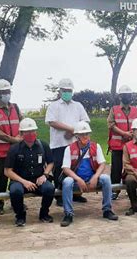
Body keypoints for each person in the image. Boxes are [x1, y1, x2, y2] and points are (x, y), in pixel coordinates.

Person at [60, 121, 118, 227]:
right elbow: (66, 168)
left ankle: (107, 210)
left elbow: (102, 164)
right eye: (82, 134)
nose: (85, 136)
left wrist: (95, 177)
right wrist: (78, 179)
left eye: (87, 133)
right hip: (76, 180)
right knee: (67, 182)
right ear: (77, 135)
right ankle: (68, 213)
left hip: (92, 179)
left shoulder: (96, 146)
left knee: (105, 178)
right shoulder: (69, 149)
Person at [45, 78, 90, 206]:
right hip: (59, 144)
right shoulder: (54, 106)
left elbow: (85, 121)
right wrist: (70, 128)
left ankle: (75, 194)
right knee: (59, 170)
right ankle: (60, 196)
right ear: (60, 91)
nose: (67, 92)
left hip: (76, 144)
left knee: (75, 168)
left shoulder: (78, 106)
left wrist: (75, 131)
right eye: (65, 90)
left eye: (69, 90)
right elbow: (52, 122)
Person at [4, 118, 55, 226]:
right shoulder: (14, 149)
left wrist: (45, 175)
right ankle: (20, 216)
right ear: (21, 133)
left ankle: (44, 214)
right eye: (27, 131)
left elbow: (50, 163)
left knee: (49, 188)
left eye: (33, 131)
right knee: (15, 191)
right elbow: (7, 171)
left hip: (38, 179)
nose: (31, 134)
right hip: (19, 180)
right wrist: (24, 182)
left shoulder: (43, 145)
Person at [0, 79, 23, 214]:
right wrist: (13, 139)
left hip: (17, 151)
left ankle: (17, 203)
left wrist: (21, 137)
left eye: (7, 91)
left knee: (18, 178)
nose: (6, 94)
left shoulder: (15, 107)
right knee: (0, 180)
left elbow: (23, 122)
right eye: (3, 92)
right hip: (1, 152)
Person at [107, 85, 137, 200]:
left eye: (129, 95)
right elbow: (111, 124)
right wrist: (124, 133)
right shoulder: (114, 109)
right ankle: (115, 190)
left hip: (131, 145)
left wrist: (131, 133)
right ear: (120, 97)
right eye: (125, 95)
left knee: (131, 167)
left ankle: (129, 187)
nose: (128, 97)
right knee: (116, 168)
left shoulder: (136, 110)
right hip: (117, 145)